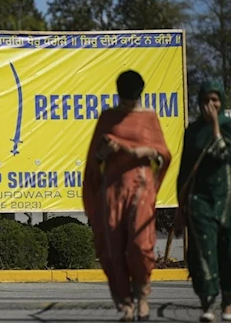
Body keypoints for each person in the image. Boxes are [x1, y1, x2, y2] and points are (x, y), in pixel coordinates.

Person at [82, 70, 171, 322]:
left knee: (140, 246)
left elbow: (162, 153)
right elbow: (93, 160)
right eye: (126, 99)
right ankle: (124, 303)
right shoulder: (108, 117)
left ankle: (142, 293)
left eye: (133, 99)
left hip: (141, 187)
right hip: (113, 189)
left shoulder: (149, 117)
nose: (130, 104)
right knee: (111, 248)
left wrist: (139, 151)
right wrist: (104, 151)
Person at [176, 81, 231, 323]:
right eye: (206, 100)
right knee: (202, 252)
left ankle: (228, 303)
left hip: (227, 200)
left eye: (215, 100)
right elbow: (185, 171)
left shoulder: (228, 127)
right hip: (199, 201)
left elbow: (223, 155)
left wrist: (216, 126)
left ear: (222, 101)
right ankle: (207, 303)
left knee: (227, 251)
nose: (210, 105)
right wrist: (180, 208)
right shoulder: (193, 131)